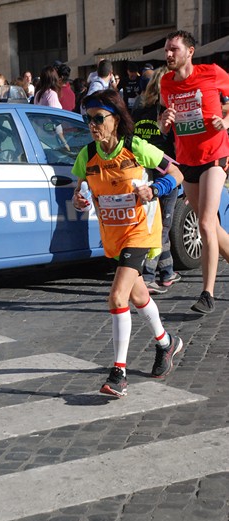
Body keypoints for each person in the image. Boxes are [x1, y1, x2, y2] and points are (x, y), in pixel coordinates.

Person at [72, 89, 184, 397]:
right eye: (87, 119)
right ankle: (166, 342)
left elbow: (176, 172)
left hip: (141, 231)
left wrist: (155, 189)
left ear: (116, 119)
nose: (92, 125)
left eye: (98, 118)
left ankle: (118, 372)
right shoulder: (87, 155)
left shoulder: (136, 147)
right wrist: (79, 199)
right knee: (137, 297)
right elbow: (79, 189)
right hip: (113, 236)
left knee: (117, 297)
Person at [159, 30, 229, 314]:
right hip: (186, 159)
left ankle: (207, 294)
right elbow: (165, 124)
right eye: (166, 50)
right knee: (211, 224)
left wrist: (225, 121)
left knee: (204, 223)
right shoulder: (165, 82)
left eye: (174, 49)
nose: (168, 55)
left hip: (214, 155)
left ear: (190, 51)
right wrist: (165, 121)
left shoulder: (211, 73)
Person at [132, 66, 181, 294]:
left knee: (158, 222)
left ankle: (167, 272)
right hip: (165, 173)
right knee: (161, 226)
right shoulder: (166, 111)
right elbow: (172, 143)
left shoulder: (139, 107)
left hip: (144, 170)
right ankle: (149, 276)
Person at [34, 65, 70, 150]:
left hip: (40, 134)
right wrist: (64, 142)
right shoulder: (51, 94)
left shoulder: (38, 93)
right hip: (52, 138)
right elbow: (55, 119)